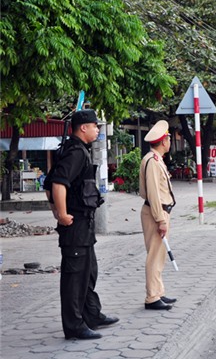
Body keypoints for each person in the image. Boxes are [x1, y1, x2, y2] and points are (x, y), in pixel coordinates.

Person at [46, 109, 119, 340]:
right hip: (75, 224)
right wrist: (62, 214)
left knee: (88, 272)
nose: (98, 129)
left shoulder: (76, 150)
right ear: (83, 128)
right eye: (95, 126)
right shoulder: (75, 152)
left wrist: (58, 210)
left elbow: (48, 184)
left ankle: (92, 314)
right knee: (74, 277)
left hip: (82, 225)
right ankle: (74, 326)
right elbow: (57, 184)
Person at [139, 120, 177, 311]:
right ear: (164, 141)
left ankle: (158, 292)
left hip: (160, 211)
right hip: (156, 213)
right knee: (154, 255)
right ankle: (152, 297)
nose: (169, 141)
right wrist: (161, 220)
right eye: (168, 138)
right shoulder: (153, 162)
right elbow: (153, 193)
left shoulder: (155, 159)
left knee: (159, 255)